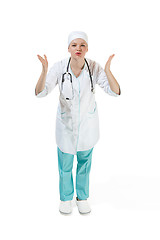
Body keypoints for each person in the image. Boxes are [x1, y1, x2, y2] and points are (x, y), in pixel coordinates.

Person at [35, 31, 121, 214]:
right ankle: (65, 199)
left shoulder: (94, 67)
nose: (78, 48)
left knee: (84, 164)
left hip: (87, 127)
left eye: (82, 45)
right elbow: (40, 92)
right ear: (68, 48)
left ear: (87, 48)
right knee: (65, 166)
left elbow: (114, 92)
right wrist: (43, 72)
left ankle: (82, 197)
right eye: (74, 45)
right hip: (65, 127)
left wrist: (108, 71)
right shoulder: (59, 68)